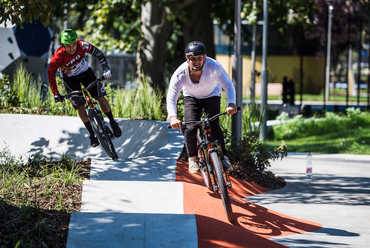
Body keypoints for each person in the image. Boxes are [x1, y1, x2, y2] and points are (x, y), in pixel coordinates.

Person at [167, 41, 237, 174]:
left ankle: (223, 158)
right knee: (191, 127)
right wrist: (173, 117)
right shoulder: (180, 73)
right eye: (193, 59)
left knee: (213, 123)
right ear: (187, 59)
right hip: (191, 97)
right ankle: (193, 158)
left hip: (212, 95)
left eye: (200, 58)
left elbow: (228, 85)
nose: (197, 61)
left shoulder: (214, 66)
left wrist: (231, 104)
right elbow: (171, 97)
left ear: (204, 57)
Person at [48, 29, 122, 147]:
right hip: (69, 79)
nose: (72, 48)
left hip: (85, 72)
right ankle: (92, 135)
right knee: (80, 106)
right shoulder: (58, 56)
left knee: (100, 97)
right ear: (63, 45)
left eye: (74, 45)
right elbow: (51, 74)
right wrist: (56, 93)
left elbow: (99, 53)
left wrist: (106, 69)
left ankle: (113, 123)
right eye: (68, 46)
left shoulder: (83, 45)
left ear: (77, 42)